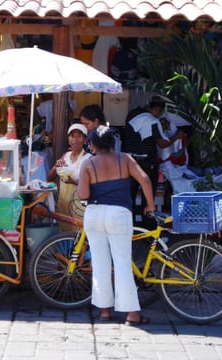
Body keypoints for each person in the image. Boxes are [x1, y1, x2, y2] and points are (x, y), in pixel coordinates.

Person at [77, 125, 155, 326]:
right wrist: (150, 206)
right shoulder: (125, 159)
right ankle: (131, 313)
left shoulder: (88, 164)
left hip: (94, 214)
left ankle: (104, 311)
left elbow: (83, 195)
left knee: (100, 263)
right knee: (122, 264)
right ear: (113, 143)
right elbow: (145, 179)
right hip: (119, 214)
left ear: (92, 145)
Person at [121, 96, 183, 225]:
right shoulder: (152, 121)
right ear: (158, 109)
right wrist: (176, 137)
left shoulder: (132, 115)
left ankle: (129, 226)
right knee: (147, 196)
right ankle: (147, 227)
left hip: (130, 161)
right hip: (147, 163)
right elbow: (162, 143)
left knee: (130, 195)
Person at [47, 123, 91, 231]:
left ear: (85, 140)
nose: (75, 140)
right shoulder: (65, 156)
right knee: (64, 233)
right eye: (72, 136)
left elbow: (91, 184)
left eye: (79, 136)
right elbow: (49, 177)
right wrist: (55, 167)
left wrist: (74, 181)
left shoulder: (89, 159)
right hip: (64, 203)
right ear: (68, 139)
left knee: (78, 234)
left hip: (79, 205)